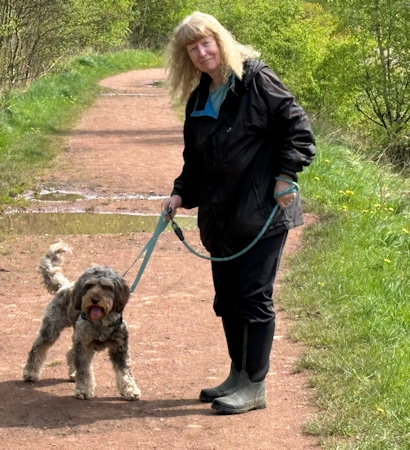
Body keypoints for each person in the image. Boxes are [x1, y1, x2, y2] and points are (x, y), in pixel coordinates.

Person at [161, 11, 315, 414]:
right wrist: (179, 195)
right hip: (221, 216)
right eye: (191, 48)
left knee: (253, 297)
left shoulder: (256, 80)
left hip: (263, 210)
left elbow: (298, 128)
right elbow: (195, 161)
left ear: (221, 41)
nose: (200, 52)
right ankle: (237, 375)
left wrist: (286, 174)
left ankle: (255, 386)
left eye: (205, 42)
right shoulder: (199, 97)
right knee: (227, 299)